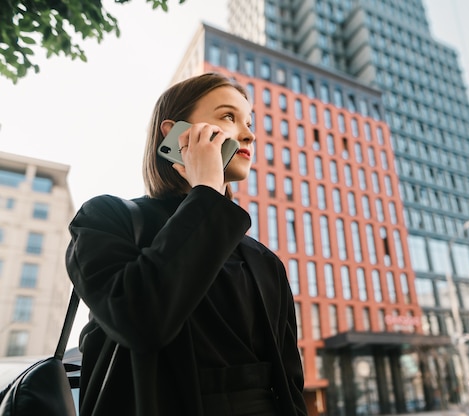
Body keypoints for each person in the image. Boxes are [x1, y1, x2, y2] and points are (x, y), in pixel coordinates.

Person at [66, 72, 307, 416]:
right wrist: (206, 191)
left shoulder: (264, 261)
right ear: (174, 133)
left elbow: (289, 386)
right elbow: (141, 320)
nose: (249, 134)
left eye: (249, 122)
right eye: (228, 116)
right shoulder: (106, 218)